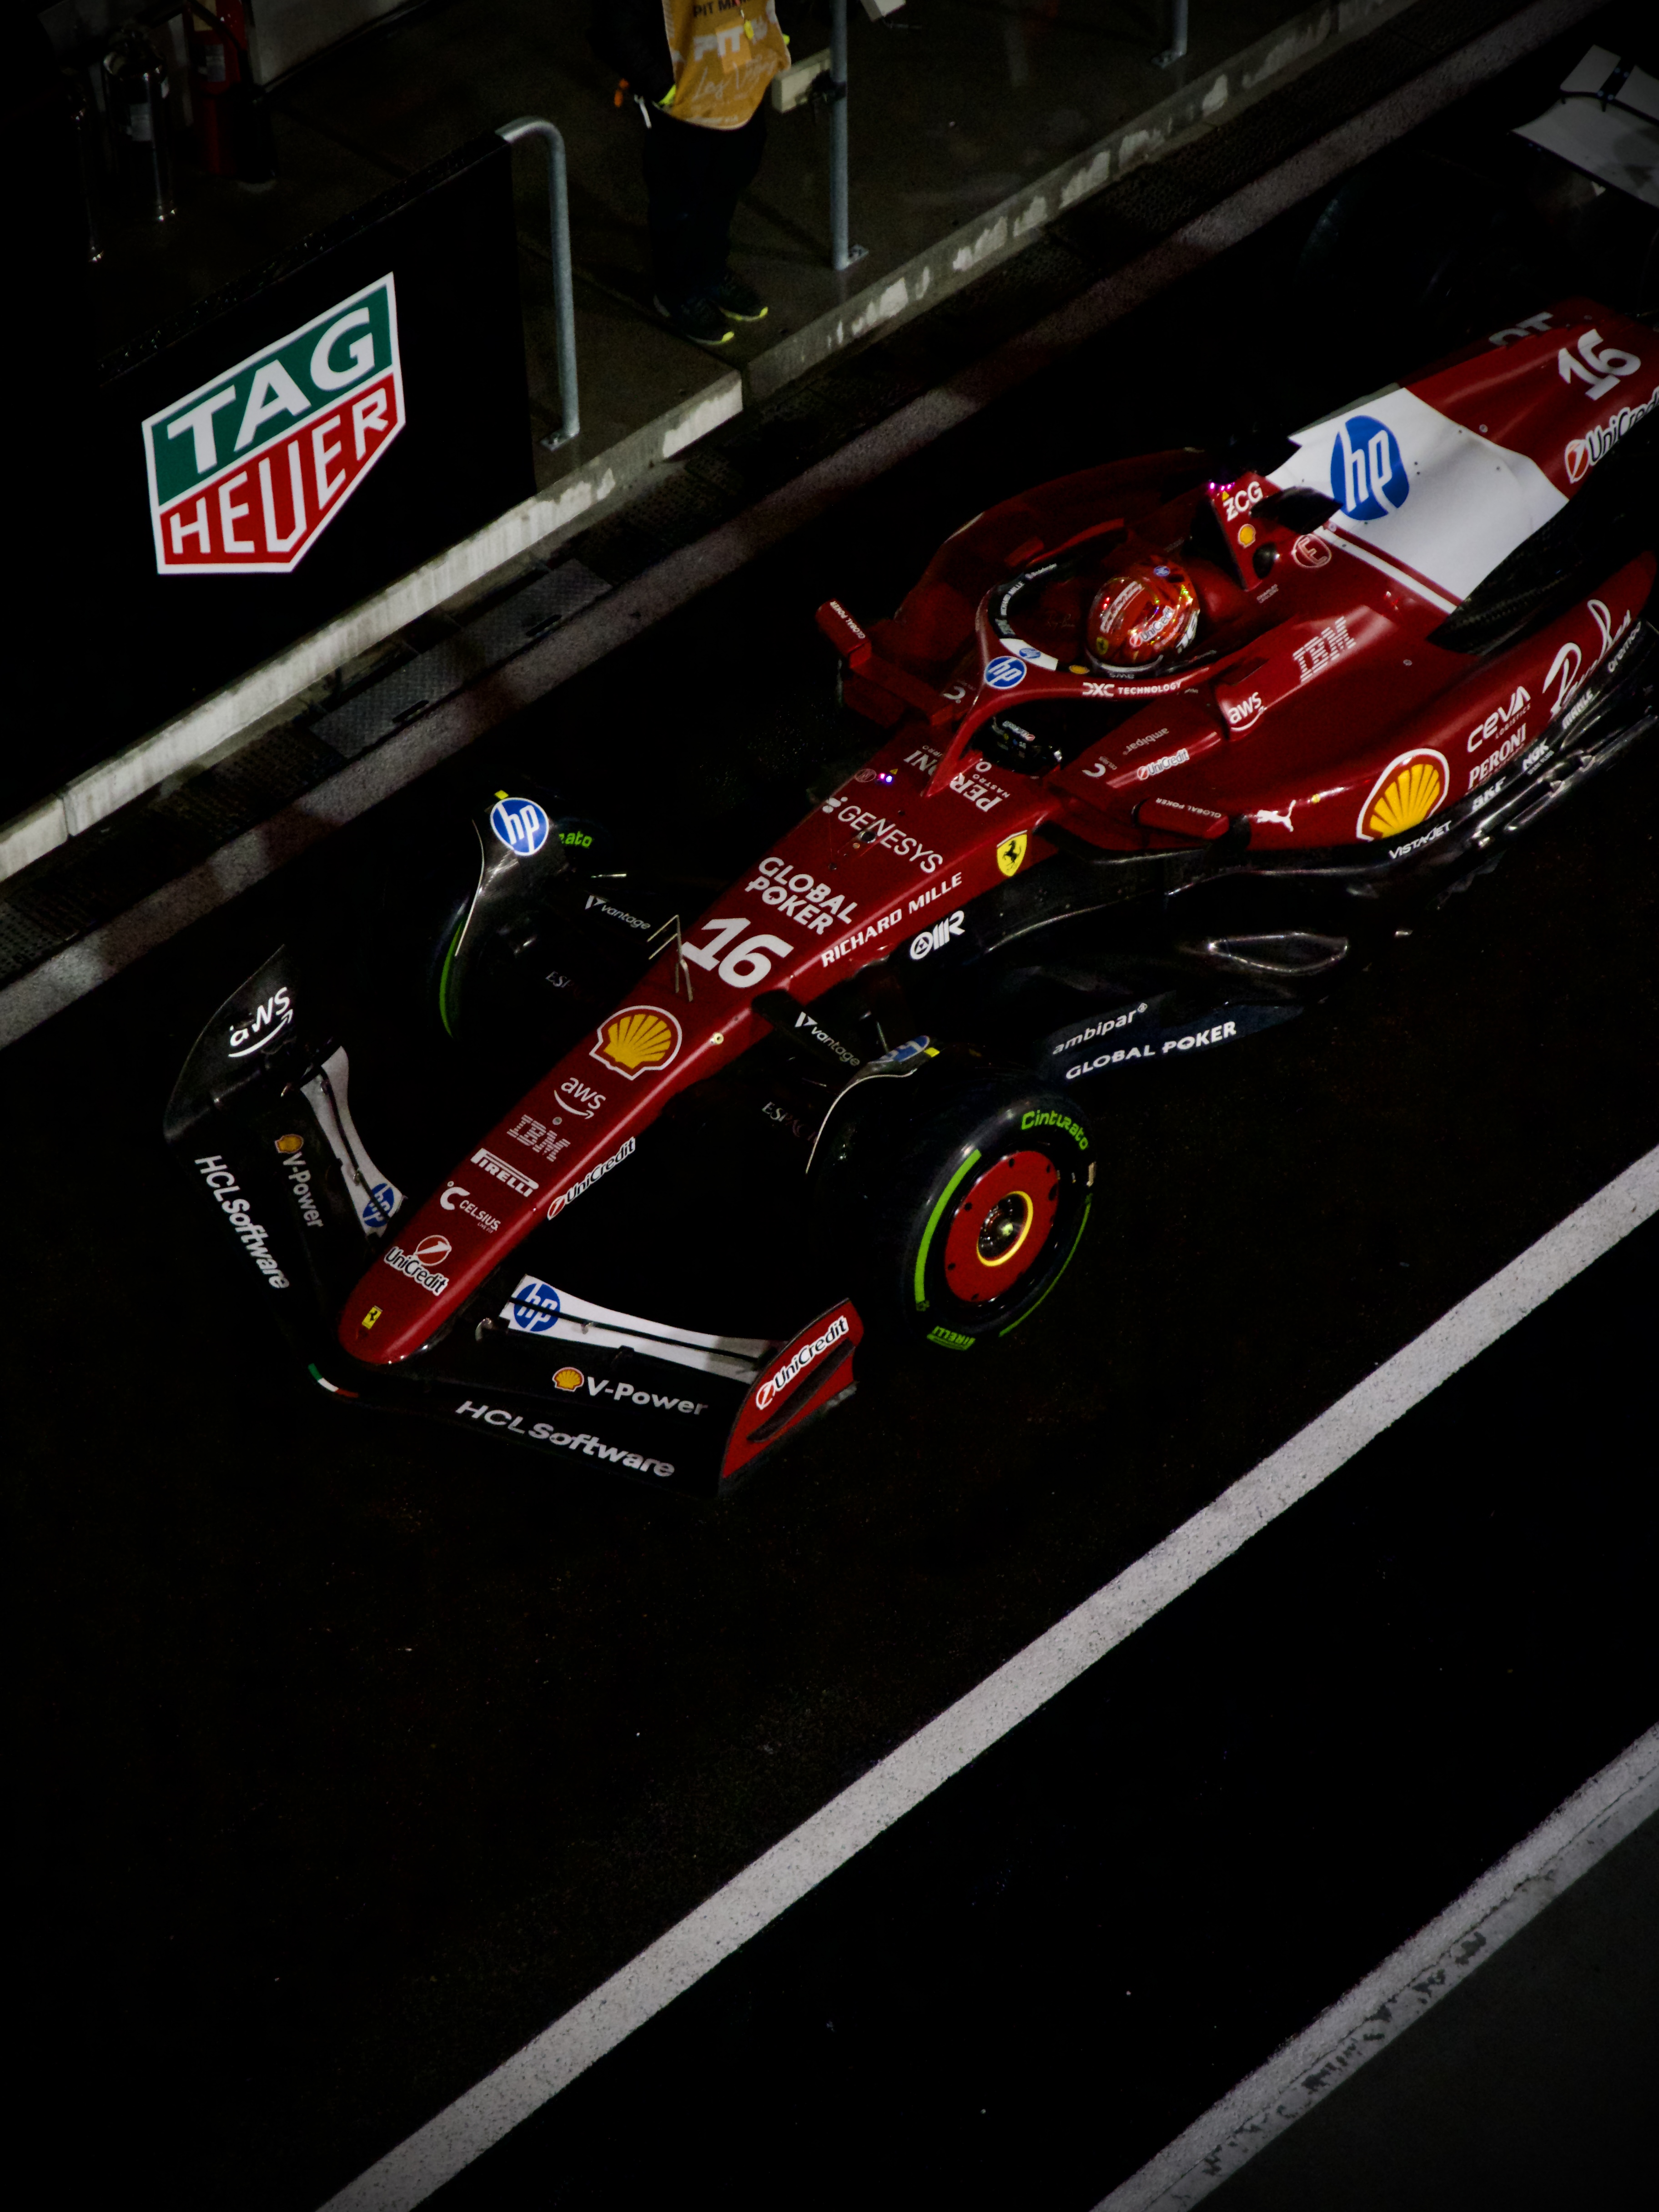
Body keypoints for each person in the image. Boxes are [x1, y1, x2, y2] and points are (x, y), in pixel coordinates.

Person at [589, 0, 789, 347]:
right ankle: (676, 292)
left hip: (741, 93)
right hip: (685, 109)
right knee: (678, 203)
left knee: (727, 185)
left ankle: (710, 271)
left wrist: (771, 42)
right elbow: (611, 29)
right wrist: (665, 91)